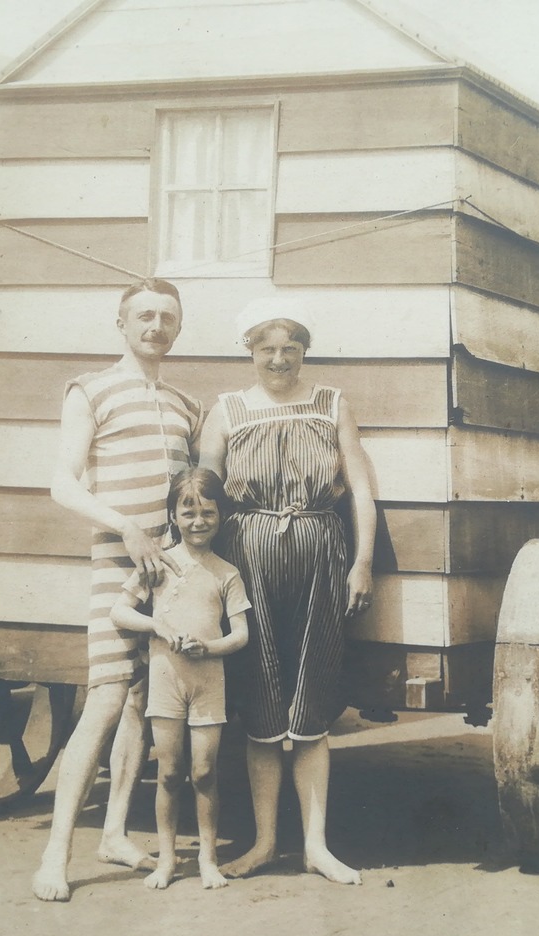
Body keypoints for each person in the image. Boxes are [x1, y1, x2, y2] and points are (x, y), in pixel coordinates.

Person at [31, 278, 202, 903]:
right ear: (123, 324)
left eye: (167, 317)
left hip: (173, 574)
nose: (156, 326)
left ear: (177, 329)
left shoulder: (186, 404)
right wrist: (125, 526)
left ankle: (114, 833)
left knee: (143, 702)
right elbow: (61, 484)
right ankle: (55, 856)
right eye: (145, 316)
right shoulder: (91, 390)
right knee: (106, 699)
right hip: (117, 565)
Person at [199, 297, 375, 885]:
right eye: (267, 349)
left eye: (290, 350)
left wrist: (363, 562)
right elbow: (206, 500)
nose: (279, 360)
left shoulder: (331, 404)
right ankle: (266, 843)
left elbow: (360, 489)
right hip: (248, 559)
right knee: (261, 698)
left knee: (313, 694)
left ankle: (316, 847)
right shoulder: (226, 410)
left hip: (322, 554)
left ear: (304, 353)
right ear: (250, 352)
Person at [111, 468, 251, 890]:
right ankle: (167, 860)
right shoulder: (158, 563)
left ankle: (207, 859)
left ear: (220, 516)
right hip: (166, 681)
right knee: (169, 772)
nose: (197, 522)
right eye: (187, 513)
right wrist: (157, 626)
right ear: (173, 515)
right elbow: (120, 611)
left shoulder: (226, 572)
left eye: (207, 513)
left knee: (204, 771)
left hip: (209, 682)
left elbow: (242, 634)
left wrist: (209, 648)